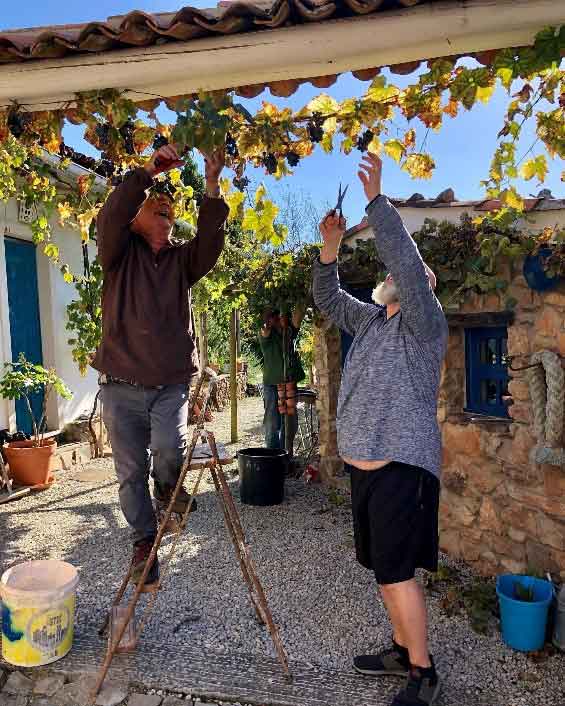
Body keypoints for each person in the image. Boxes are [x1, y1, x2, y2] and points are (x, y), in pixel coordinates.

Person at [313, 153, 447, 706]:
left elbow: (409, 268)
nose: (391, 276)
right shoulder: (368, 321)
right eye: (390, 275)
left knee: (396, 571)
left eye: (403, 277)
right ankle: (400, 648)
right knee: (381, 569)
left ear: (418, 289)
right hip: (363, 466)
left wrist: (375, 202)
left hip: (401, 465)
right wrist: (329, 247)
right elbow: (325, 298)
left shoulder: (425, 324)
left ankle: (424, 673)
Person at [93, 143, 228, 586]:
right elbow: (110, 216)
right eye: (156, 205)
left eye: (169, 209)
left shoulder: (181, 261)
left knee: (169, 446)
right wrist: (148, 172)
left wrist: (211, 184)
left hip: (168, 384)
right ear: (135, 220)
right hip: (119, 386)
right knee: (129, 471)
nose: (165, 209)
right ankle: (143, 543)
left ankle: (168, 488)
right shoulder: (118, 253)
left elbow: (210, 241)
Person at [259, 307, 305, 457]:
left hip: (289, 382)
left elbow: (298, 317)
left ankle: (286, 453)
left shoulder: (289, 332)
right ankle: (273, 455)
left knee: (290, 420)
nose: (277, 319)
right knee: (272, 421)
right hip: (272, 384)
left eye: (279, 316)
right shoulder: (267, 334)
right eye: (274, 317)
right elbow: (264, 329)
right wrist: (268, 320)